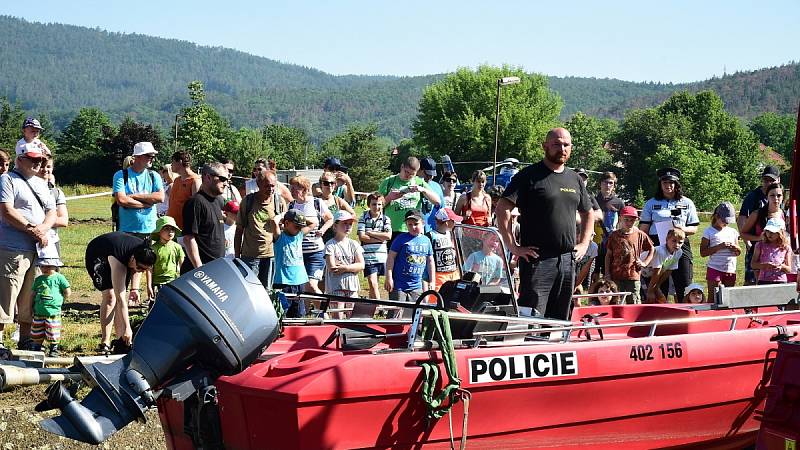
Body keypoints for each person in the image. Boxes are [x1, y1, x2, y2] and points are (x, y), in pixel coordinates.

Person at [496, 128, 594, 320]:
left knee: (560, 319)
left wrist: (584, 243)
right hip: (538, 259)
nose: (562, 148)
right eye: (557, 144)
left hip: (567, 260)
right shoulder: (528, 176)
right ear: (545, 146)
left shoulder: (575, 179)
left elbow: (588, 212)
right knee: (532, 317)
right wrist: (513, 247)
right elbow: (502, 208)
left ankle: (557, 348)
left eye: (566, 145)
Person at [0, 143, 55, 350]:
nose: (38, 163)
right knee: (5, 295)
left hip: (37, 250)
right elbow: (6, 210)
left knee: (30, 297)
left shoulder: (41, 183)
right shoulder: (7, 179)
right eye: (33, 159)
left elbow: (51, 211)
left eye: (40, 160)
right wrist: (32, 229)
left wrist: (42, 229)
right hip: (12, 248)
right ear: (20, 160)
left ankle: (25, 340)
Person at [85, 232, 156, 353]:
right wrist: (128, 329)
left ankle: (121, 341)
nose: (141, 271)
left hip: (123, 254)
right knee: (111, 296)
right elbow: (121, 300)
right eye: (140, 268)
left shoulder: (145, 253)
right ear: (133, 259)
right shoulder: (120, 262)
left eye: (145, 269)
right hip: (98, 252)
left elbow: (141, 268)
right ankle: (105, 342)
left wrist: (135, 289)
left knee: (120, 296)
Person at [639, 167, 699, 302]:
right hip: (658, 244)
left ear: (676, 184)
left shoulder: (686, 202)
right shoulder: (651, 203)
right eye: (665, 183)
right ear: (660, 185)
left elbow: (694, 228)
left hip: (680, 244)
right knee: (659, 282)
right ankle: (660, 316)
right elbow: (644, 229)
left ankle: (685, 313)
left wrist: (682, 228)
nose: (668, 186)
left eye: (671, 183)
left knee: (684, 282)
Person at [235, 170, 283, 290]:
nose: (271, 189)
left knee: (267, 292)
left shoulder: (278, 202)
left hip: (271, 256)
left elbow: (283, 231)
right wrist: (237, 257)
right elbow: (239, 229)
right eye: (267, 186)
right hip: (250, 256)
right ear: (258, 184)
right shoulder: (248, 201)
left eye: (273, 185)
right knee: (250, 290)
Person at [378, 157, 441, 244]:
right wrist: (389, 197)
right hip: (392, 230)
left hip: (414, 229)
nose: (408, 176)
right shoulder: (389, 182)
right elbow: (376, 206)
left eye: (412, 174)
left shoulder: (419, 182)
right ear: (402, 167)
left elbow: (437, 201)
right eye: (406, 172)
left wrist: (422, 190)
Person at [288, 175, 333, 294]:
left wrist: (322, 230)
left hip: (316, 253)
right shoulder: (291, 205)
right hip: (298, 253)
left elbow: (330, 219)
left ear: (304, 189)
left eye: (294, 188)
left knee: (311, 285)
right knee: (303, 287)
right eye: (290, 188)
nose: (291, 191)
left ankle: (324, 311)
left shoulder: (316, 203)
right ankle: (308, 312)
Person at [181, 163, 229, 273]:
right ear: (208, 177)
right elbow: (188, 238)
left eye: (227, 179)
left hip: (216, 268)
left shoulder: (218, 201)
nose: (225, 183)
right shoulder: (195, 202)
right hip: (199, 273)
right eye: (222, 179)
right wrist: (200, 269)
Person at [385, 210, 435, 312]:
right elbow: (391, 257)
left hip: (417, 285)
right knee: (396, 313)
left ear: (423, 223)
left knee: (414, 314)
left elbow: (430, 261)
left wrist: (432, 280)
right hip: (399, 285)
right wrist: (389, 277)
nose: (413, 227)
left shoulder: (426, 240)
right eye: (410, 224)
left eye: (416, 224)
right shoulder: (401, 239)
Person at [738, 166, 780, 285]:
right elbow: (742, 219)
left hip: (775, 249)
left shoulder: (779, 199)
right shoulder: (753, 196)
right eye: (766, 180)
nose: (768, 183)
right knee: (751, 282)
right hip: (756, 245)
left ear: (778, 180)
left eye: (772, 180)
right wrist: (748, 243)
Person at [604, 206, 654, 304]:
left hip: (633, 275)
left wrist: (645, 262)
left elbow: (651, 248)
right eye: (626, 219)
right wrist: (607, 273)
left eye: (632, 220)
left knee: (634, 301)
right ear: (620, 218)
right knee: (616, 301)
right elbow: (608, 255)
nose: (629, 223)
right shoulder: (614, 236)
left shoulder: (640, 235)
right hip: (616, 275)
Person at [273, 209, 311, 317]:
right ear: (286, 223)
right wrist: (282, 215)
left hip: (299, 281)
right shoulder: (280, 236)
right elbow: (274, 222)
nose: (299, 229)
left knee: (298, 313)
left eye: (301, 227)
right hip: (283, 281)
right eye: (296, 226)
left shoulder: (299, 235)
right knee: (282, 312)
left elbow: (313, 223)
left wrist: (300, 216)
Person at [30, 257, 70, 357]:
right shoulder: (39, 279)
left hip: (53, 312)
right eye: (42, 266)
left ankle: (54, 349)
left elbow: (67, 291)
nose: (45, 268)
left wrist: (60, 300)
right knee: (37, 331)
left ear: (55, 266)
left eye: (48, 266)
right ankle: (37, 347)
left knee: (53, 331)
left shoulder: (59, 278)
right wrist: (30, 307)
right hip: (39, 311)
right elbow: (32, 294)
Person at [324, 210, 364, 306]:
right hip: (335, 286)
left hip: (352, 285)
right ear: (335, 226)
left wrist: (345, 268)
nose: (348, 226)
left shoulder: (354, 244)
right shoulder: (330, 244)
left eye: (350, 224)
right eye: (344, 223)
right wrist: (353, 268)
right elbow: (333, 268)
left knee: (352, 316)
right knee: (338, 316)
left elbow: (361, 265)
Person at [358, 192, 392, 299]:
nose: (376, 207)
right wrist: (380, 239)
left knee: (375, 284)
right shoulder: (363, 216)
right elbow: (361, 236)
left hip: (381, 257)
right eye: (374, 204)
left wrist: (371, 233)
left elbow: (388, 236)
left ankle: (373, 306)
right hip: (368, 257)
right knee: (372, 283)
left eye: (379, 204)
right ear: (369, 205)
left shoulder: (386, 219)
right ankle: (379, 306)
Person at [700, 202, 741, 292]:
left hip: (730, 269)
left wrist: (735, 248)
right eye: (724, 221)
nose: (726, 223)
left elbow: (738, 252)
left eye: (728, 221)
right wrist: (719, 247)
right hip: (715, 268)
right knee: (714, 297)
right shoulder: (709, 232)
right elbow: (703, 253)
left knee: (729, 297)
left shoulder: (733, 231)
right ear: (716, 216)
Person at [594, 172, 625, 278]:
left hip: (612, 241)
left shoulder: (619, 203)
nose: (607, 185)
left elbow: (622, 222)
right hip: (594, 241)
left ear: (614, 185)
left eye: (611, 183)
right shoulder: (592, 200)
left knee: (610, 273)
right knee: (594, 273)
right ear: (600, 184)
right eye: (605, 182)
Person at [37, 153, 69, 258]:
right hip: (30, 241)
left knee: (52, 274)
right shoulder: (23, 189)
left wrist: (39, 221)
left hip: (52, 241)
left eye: (48, 166)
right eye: (41, 166)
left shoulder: (57, 192)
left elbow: (64, 221)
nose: (45, 169)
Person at [642, 229, 685, 304]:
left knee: (660, 298)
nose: (677, 245)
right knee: (647, 297)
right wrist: (651, 291)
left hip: (651, 275)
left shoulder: (679, 252)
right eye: (674, 241)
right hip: (641, 273)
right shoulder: (660, 251)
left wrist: (657, 286)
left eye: (680, 242)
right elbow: (656, 271)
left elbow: (669, 270)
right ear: (667, 239)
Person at [147, 216, 184, 302]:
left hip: (173, 282)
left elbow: (182, 264)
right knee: (156, 305)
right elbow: (149, 268)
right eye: (166, 229)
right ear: (159, 232)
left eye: (172, 229)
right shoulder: (153, 249)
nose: (170, 232)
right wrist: (149, 285)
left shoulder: (177, 247)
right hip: (157, 283)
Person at [427, 208, 462, 289]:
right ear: (446, 222)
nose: (454, 222)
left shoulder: (451, 234)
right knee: (437, 297)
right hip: (438, 275)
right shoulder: (431, 235)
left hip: (453, 273)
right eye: (452, 220)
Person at [166, 150, 200, 230]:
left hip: (184, 228)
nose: (171, 165)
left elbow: (197, 207)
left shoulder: (195, 180)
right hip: (171, 226)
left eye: (173, 162)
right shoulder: (177, 180)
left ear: (180, 162)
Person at [752, 218, 791, 285]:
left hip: (780, 280)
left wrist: (781, 267)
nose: (769, 234)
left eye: (773, 232)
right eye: (768, 231)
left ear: (780, 233)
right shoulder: (760, 245)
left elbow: (789, 269)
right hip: (763, 280)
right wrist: (765, 265)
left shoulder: (785, 247)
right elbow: (753, 265)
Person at [318, 171, 355, 242]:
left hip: (336, 240)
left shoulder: (338, 200)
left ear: (335, 185)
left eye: (332, 183)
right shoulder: (315, 201)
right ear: (321, 185)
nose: (329, 185)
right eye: (326, 183)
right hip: (319, 239)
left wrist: (343, 225)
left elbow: (353, 214)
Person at [419, 157, 445, 232]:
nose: (430, 177)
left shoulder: (437, 186)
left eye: (432, 175)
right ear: (419, 170)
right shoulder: (412, 184)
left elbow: (442, 208)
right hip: (415, 230)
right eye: (427, 174)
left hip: (432, 230)